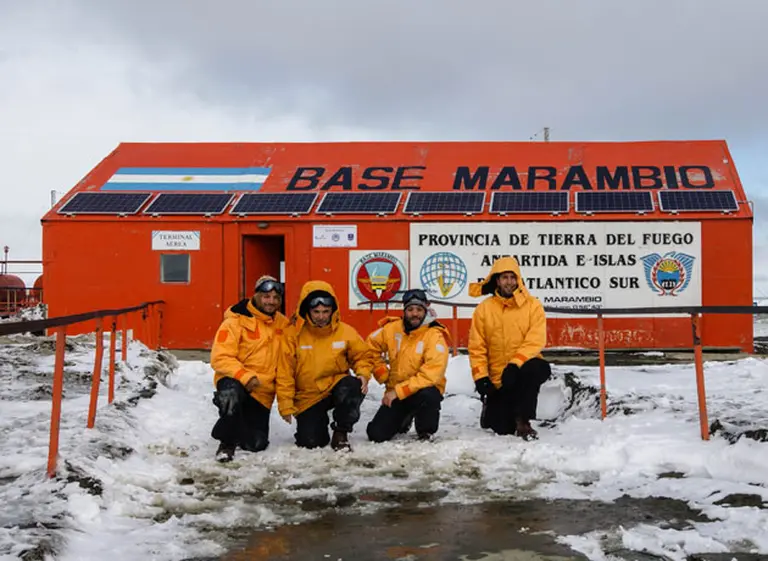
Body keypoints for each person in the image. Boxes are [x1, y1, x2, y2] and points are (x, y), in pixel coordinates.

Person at [276, 281, 373, 451]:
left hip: (335, 386)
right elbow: (285, 371)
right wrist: (285, 403)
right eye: (316, 312)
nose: (321, 317)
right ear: (307, 310)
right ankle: (315, 424)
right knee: (311, 442)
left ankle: (341, 431)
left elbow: (362, 356)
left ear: (333, 310)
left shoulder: (345, 331)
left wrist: (363, 374)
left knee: (352, 385)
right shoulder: (293, 334)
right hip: (308, 396)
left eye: (326, 311)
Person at [468, 256, 551, 440]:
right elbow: (477, 347)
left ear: (518, 279)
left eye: (513, 277)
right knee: (501, 428)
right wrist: (481, 377)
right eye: (505, 277)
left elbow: (535, 340)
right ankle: (490, 407)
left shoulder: (533, 305)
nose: (509, 282)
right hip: (499, 378)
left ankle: (524, 421)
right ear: (497, 280)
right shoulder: (483, 309)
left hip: (523, 368)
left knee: (536, 368)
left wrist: (515, 364)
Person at [209, 275, 289, 462]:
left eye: (276, 298)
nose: (271, 301)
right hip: (236, 381)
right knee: (231, 394)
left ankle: (233, 422)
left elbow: (286, 364)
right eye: (266, 296)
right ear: (256, 295)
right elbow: (220, 358)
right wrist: (245, 376)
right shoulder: (234, 322)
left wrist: (285, 401)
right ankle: (227, 442)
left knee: (256, 444)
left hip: (262, 392)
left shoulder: (284, 325)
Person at [365, 288, 450, 443]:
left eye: (419, 309)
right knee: (376, 434)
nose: (415, 314)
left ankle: (425, 430)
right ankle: (405, 418)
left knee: (429, 394)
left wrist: (398, 392)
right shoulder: (392, 328)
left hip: (420, 392)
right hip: (396, 391)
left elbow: (431, 375)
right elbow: (369, 347)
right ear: (404, 310)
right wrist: (381, 373)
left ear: (426, 310)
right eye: (410, 310)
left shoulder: (434, 335)